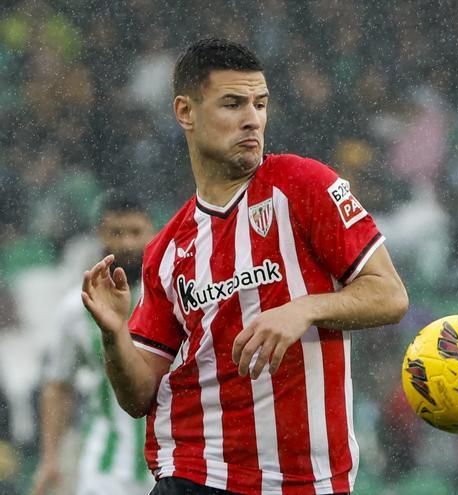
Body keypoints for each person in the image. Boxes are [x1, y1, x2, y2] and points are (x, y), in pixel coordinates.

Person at [80, 39, 408, 495]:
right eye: (232, 104)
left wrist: (304, 309)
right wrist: (115, 334)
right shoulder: (168, 249)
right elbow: (137, 397)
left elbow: (391, 296)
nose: (252, 118)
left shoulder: (304, 185)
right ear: (185, 112)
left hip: (306, 480)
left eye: (260, 104)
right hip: (196, 468)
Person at [32, 193, 156, 495]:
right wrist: (50, 458)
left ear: (152, 233)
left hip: (169, 459)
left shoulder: (171, 299)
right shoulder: (75, 308)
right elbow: (58, 385)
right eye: (116, 232)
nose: (127, 243)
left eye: (135, 232)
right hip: (105, 467)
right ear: (100, 235)